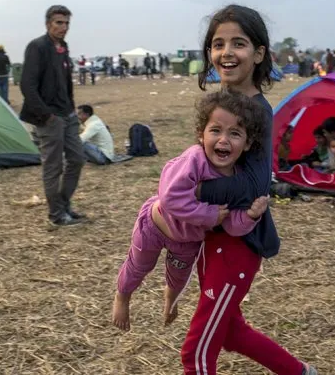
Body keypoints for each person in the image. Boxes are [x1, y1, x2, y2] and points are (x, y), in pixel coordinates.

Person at [183, 4, 317, 375]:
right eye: (217, 43)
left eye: (238, 43)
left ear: (258, 53)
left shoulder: (258, 109)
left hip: (237, 245)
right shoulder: (218, 105)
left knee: (196, 354)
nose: (226, 52)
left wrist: (192, 194)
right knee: (230, 332)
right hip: (211, 238)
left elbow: (255, 184)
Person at [111, 91, 269, 332]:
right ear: (201, 134)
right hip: (154, 226)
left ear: (247, 143)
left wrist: (250, 216)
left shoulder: (237, 180)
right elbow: (171, 196)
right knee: (139, 266)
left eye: (234, 133)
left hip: (187, 243)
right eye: (215, 130)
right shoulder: (194, 159)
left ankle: (169, 300)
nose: (223, 140)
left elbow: (230, 225)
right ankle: (122, 296)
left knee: (178, 278)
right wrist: (208, 215)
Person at [19, 5, 86, 227]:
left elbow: (65, 83)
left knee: (77, 159)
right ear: (48, 23)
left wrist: (72, 109)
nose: (63, 27)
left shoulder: (63, 48)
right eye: (59, 22)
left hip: (67, 114)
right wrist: (47, 116)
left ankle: (64, 204)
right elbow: (27, 85)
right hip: (49, 117)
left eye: (66, 23)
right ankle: (56, 214)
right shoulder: (37, 47)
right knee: (53, 166)